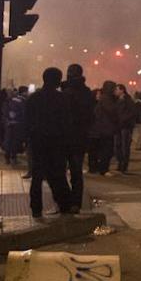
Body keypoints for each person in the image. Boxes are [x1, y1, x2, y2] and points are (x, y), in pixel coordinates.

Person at [24, 67, 77, 218]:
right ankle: (63, 204)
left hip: (38, 141)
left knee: (37, 177)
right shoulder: (62, 99)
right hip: (57, 142)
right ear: (58, 80)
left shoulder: (34, 98)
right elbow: (67, 122)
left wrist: (28, 138)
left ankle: (36, 208)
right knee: (58, 175)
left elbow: (27, 120)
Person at [61, 64, 94, 211]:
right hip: (80, 138)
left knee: (60, 172)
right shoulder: (87, 93)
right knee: (76, 172)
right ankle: (75, 203)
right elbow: (91, 117)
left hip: (64, 137)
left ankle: (65, 202)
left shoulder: (65, 93)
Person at [114, 85, 138, 174]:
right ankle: (120, 163)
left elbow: (133, 112)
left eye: (117, 89)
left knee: (125, 147)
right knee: (117, 146)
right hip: (118, 126)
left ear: (122, 90)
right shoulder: (117, 100)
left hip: (126, 126)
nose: (115, 91)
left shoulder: (128, 100)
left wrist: (123, 119)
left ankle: (124, 166)